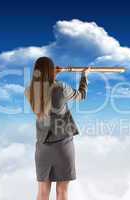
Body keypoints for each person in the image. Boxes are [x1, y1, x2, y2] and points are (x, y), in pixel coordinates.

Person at [24, 57, 90, 200]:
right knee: (62, 191)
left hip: (43, 147)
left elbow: (45, 89)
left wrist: (53, 76)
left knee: (42, 191)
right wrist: (84, 76)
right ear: (51, 71)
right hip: (63, 145)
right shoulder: (61, 88)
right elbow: (81, 95)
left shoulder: (30, 92)